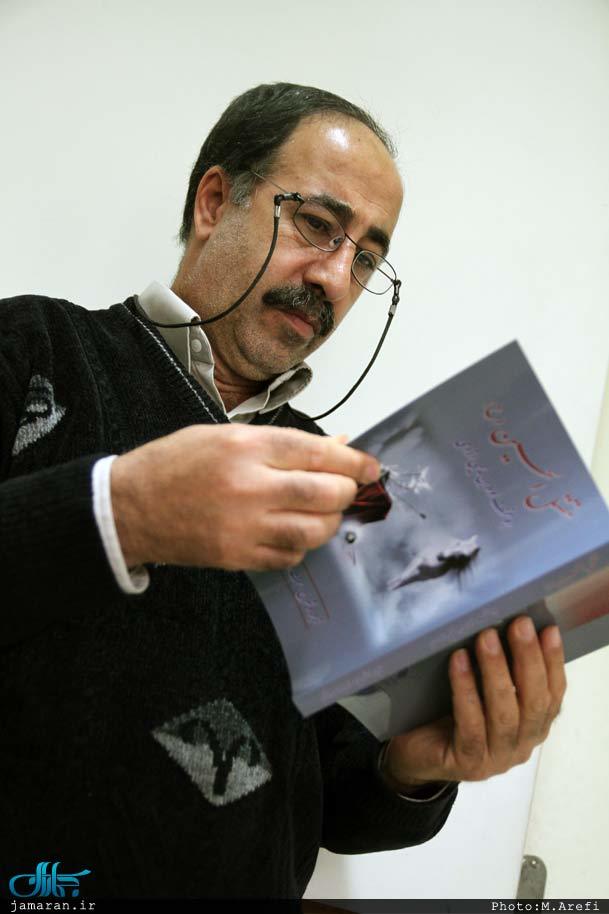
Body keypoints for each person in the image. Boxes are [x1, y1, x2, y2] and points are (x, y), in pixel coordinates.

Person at [0, 83, 566, 901]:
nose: (335, 278)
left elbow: (326, 796)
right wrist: (123, 512)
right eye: (317, 225)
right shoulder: (34, 345)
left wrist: (411, 769)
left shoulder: (338, 477)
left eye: (365, 258)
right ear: (214, 201)